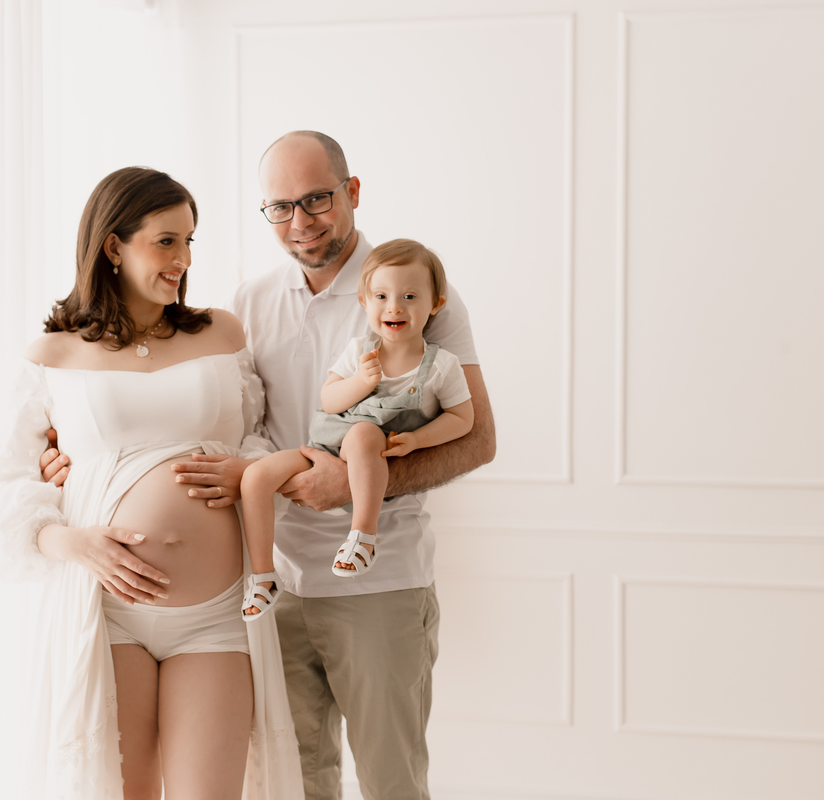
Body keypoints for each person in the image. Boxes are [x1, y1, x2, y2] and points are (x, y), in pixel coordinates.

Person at [43, 132, 496, 800]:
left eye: (317, 199)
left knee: (392, 783)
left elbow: (477, 439)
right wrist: (69, 454)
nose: (300, 221)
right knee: (293, 784)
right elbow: (227, 421)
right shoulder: (250, 303)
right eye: (280, 207)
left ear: (352, 192)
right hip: (269, 587)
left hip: (376, 585)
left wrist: (355, 483)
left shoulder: (410, 289)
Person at [0, 167, 301, 799]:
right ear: (113, 246)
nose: (184, 259)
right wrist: (72, 541)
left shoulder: (222, 333)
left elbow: (261, 442)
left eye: (189, 241)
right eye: (166, 241)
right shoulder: (54, 355)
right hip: (106, 612)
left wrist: (248, 471)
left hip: (218, 614)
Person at [239, 239, 475, 620]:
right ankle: (263, 575)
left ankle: (363, 536)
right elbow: (330, 400)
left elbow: (463, 419)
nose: (394, 307)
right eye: (381, 296)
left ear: (436, 304)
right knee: (255, 477)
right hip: (323, 448)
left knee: (364, 433)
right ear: (365, 302)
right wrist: (362, 382)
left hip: (366, 457)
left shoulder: (441, 367)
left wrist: (417, 439)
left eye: (409, 296)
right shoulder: (359, 351)